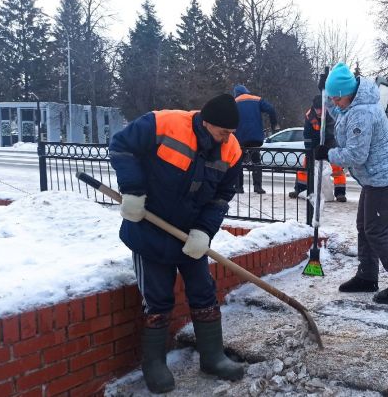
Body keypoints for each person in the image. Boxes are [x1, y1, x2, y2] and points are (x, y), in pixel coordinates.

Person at [109, 94, 244, 393]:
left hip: (189, 234)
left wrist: (204, 232)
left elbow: (221, 197)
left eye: (232, 133)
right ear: (206, 122)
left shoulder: (231, 151)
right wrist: (132, 190)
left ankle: (212, 356)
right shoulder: (164, 124)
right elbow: (121, 146)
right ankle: (154, 364)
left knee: (203, 292)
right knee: (158, 297)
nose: (227, 139)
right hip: (150, 228)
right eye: (223, 132)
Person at [315, 62, 388, 304]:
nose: (335, 104)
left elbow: (356, 155)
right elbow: (338, 111)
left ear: (347, 93)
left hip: (385, 178)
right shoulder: (354, 101)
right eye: (334, 98)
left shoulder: (362, 113)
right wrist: (326, 95)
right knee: (364, 226)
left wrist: (328, 153)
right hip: (374, 177)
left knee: (376, 231)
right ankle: (367, 276)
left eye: (337, 98)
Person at [289, 94, 347, 202]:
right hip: (315, 142)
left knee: (337, 168)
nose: (319, 112)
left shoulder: (331, 113)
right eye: (317, 109)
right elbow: (307, 134)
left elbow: (333, 133)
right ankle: (299, 189)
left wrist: (328, 149)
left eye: (321, 109)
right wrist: (308, 150)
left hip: (330, 142)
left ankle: (340, 193)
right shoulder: (309, 115)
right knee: (306, 166)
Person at [233, 84, 279, 194]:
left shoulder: (234, 102)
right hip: (255, 137)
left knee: (238, 162)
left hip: (240, 138)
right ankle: (257, 187)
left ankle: (239, 187)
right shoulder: (256, 99)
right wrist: (274, 125)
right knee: (256, 161)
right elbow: (271, 109)